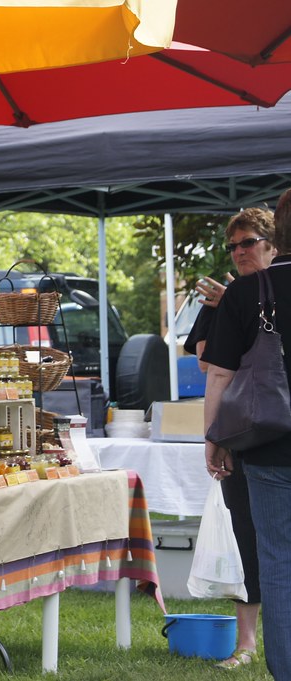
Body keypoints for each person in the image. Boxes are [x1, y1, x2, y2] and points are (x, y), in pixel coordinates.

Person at [203, 194, 291, 680]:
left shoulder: (246, 294)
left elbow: (218, 376)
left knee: (277, 561)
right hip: (267, 451)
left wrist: (213, 438)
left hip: (269, 446)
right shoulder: (240, 292)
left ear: (277, 233)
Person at [186, 207, 276, 670]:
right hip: (248, 431)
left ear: (273, 241)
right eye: (234, 245)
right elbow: (206, 362)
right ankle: (248, 643)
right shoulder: (232, 298)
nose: (241, 251)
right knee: (250, 536)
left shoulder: (262, 291)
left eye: (250, 242)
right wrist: (226, 312)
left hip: (263, 432)